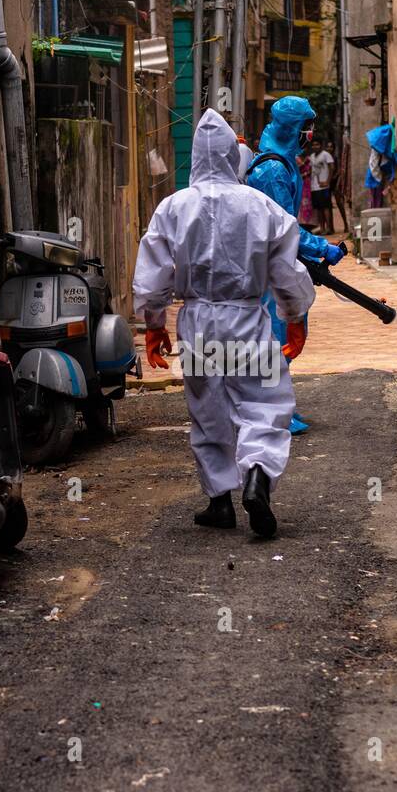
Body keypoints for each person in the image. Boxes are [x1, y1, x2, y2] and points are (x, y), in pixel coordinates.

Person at [133, 109, 315, 538]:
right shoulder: (261, 206)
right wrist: (295, 316)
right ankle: (257, 477)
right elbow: (286, 271)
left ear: (196, 156)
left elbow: (153, 274)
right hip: (248, 318)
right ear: (235, 158)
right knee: (265, 405)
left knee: (208, 410)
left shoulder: (172, 208)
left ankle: (219, 502)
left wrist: (155, 323)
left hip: (198, 321)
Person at [245, 95, 344, 435]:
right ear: (293, 128)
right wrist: (322, 247)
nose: (310, 132)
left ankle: (276, 407)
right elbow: (283, 227)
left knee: (284, 334)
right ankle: (273, 412)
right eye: (306, 126)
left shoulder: (282, 159)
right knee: (279, 336)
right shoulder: (273, 169)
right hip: (273, 267)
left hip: (278, 262)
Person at [308, 139, 337, 234]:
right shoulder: (312, 156)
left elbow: (332, 167)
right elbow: (311, 170)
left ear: (320, 145)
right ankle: (322, 228)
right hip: (314, 186)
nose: (315, 146)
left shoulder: (326, 154)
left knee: (326, 207)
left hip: (324, 186)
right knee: (318, 208)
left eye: (317, 144)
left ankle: (329, 228)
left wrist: (327, 181)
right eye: (313, 145)